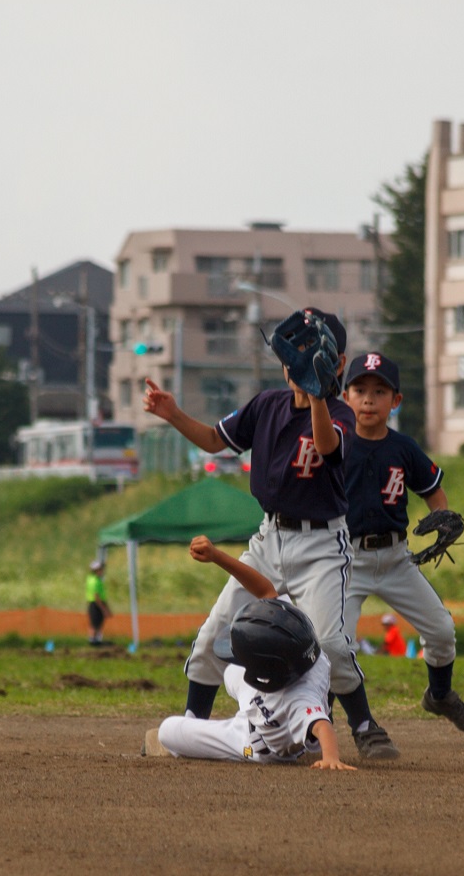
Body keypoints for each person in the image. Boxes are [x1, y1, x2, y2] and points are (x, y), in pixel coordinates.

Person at [142, 308, 400, 761]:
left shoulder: (340, 412)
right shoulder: (267, 405)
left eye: (313, 353)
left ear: (336, 364)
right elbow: (213, 440)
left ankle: (364, 725)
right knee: (212, 637)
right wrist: (172, 413)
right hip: (268, 539)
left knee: (332, 642)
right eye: (295, 352)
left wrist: (318, 394)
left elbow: (325, 446)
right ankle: (191, 727)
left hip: (322, 545)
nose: (299, 361)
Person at [338, 351, 464, 734]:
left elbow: (433, 491)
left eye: (380, 391)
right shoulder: (336, 444)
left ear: (396, 401)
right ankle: (339, 721)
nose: (369, 399)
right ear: (345, 397)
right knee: (336, 645)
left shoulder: (403, 448)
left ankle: (439, 696)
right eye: (359, 389)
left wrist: (442, 518)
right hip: (345, 560)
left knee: (440, 630)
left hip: (395, 558)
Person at [142, 535, 355, 771]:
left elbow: (323, 726)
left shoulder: (299, 699)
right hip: (265, 694)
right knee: (231, 670)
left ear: (265, 673)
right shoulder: (297, 641)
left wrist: (331, 758)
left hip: (254, 742)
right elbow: (265, 589)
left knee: (168, 730)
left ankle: (183, 742)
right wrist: (216, 556)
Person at [85, 559, 113, 646]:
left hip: (96, 603)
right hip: (96, 604)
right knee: (95, 623)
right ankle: (93, 641)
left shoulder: (93, 579)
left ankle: (96, 640)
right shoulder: (94, 581)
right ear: (96, 570)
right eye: (100, 569)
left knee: (98, 622)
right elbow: (96, 596)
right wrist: (104, 609)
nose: (102, 571)